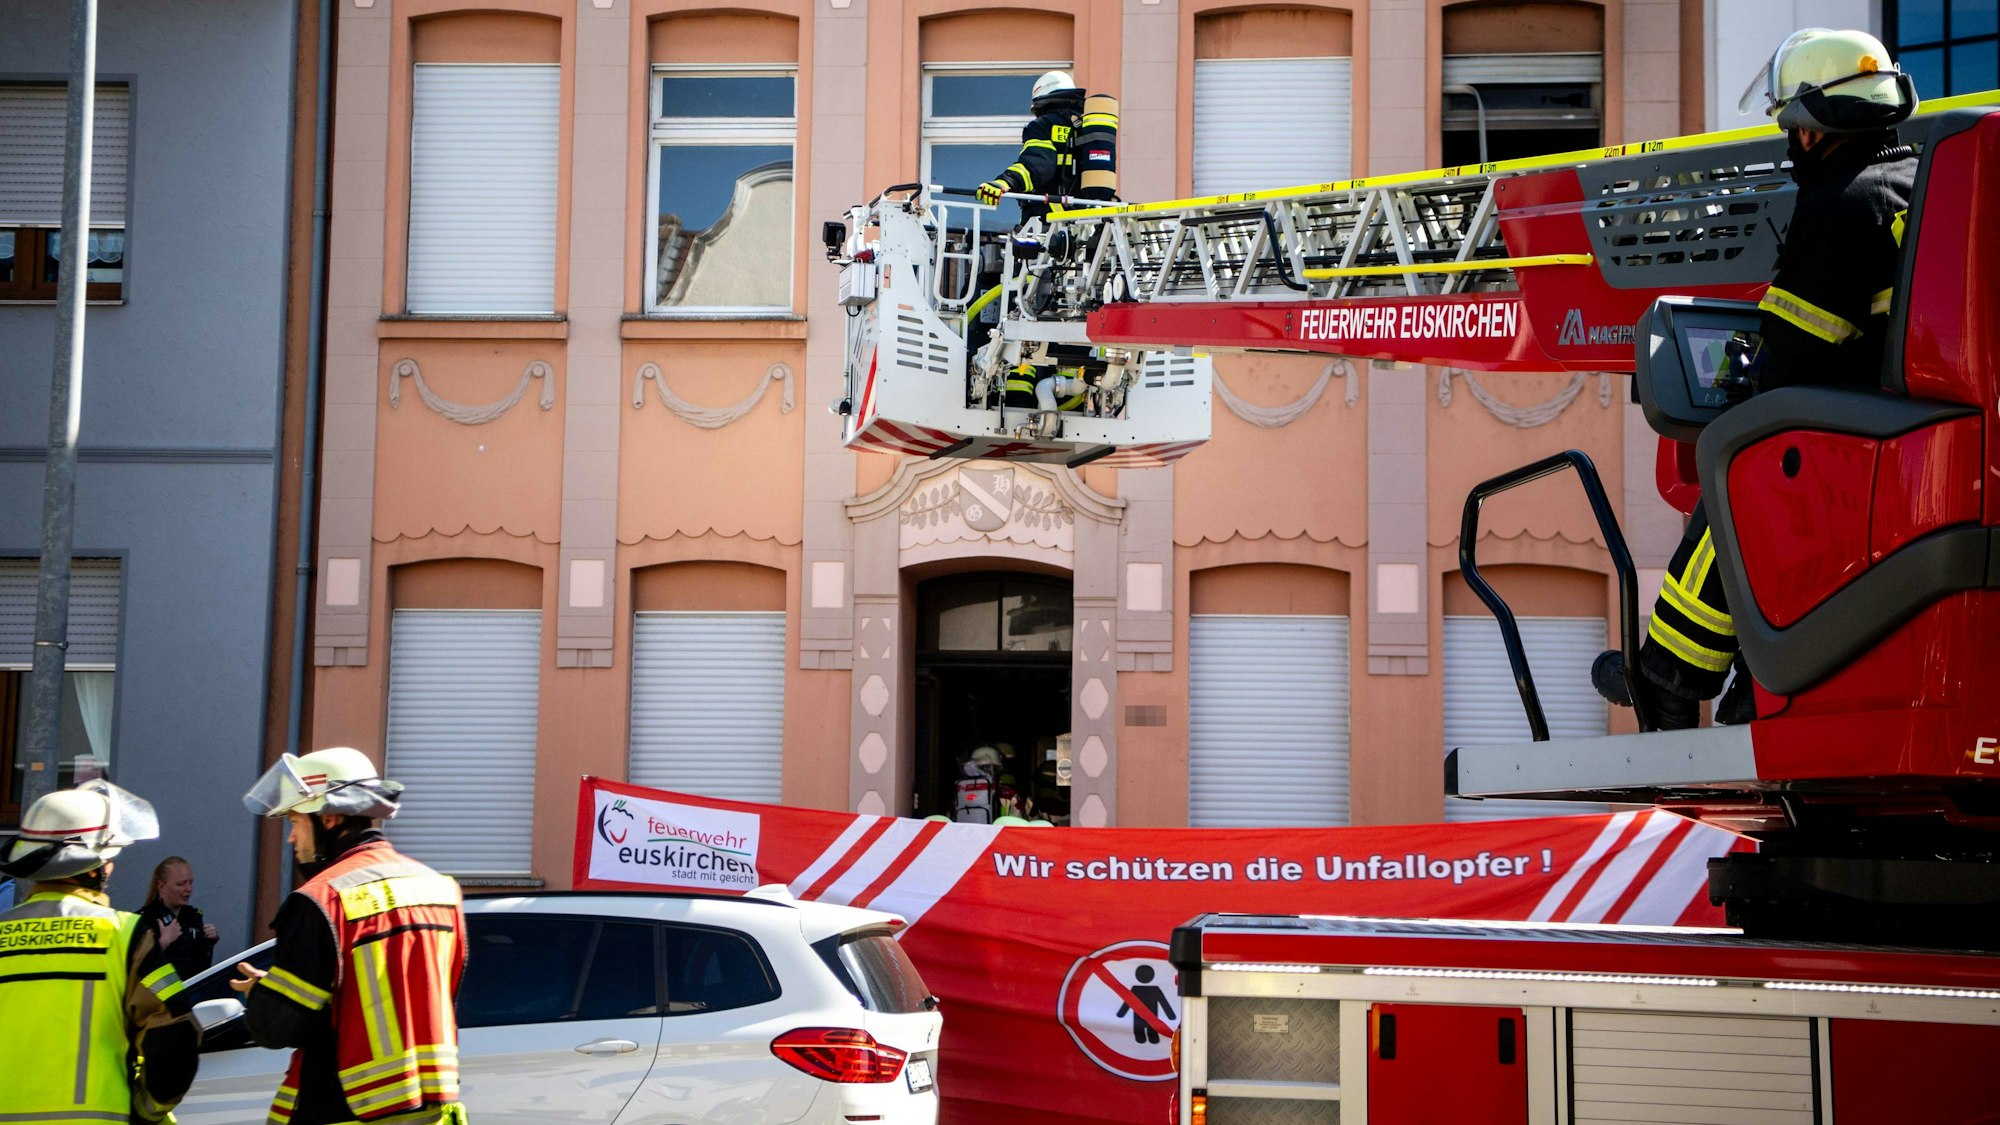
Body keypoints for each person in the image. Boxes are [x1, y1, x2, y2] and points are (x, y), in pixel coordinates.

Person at [1594, 27, 1919, 730]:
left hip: (1857, 438)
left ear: (1811, 129)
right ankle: (1755, 677)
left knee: (1736, 460)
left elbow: (1795, 355)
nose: (1790, 142)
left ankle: (1672, 675)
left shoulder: (1841, 205)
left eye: (1791, 126)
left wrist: (1749, 374)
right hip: (1897, 429)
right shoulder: (1913, 183)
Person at [232, 747, 468, 1125]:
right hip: (431, 1112)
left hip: (345, 1108)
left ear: (330, 819)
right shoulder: (440, 890)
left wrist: (266, 994)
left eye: (295, 820)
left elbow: (277, 1028)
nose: (292, 838)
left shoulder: (320, 900)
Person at [0, 780, 201, 1124]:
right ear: (94, 867)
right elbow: (175, 1035)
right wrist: (148, 1110)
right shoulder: (123, 934)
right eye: (109, 858)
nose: (112, 867)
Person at [140, 853, 219, 981]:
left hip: (193, 993)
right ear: (161, 886)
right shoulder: (145, 919)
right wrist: (164, 941)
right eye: (181, 884)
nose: (189, 889)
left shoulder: (192, 916)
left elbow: (200, 965)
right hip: (161, 997)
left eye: (190, 883)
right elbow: (137, 966)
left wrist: (210, 942)